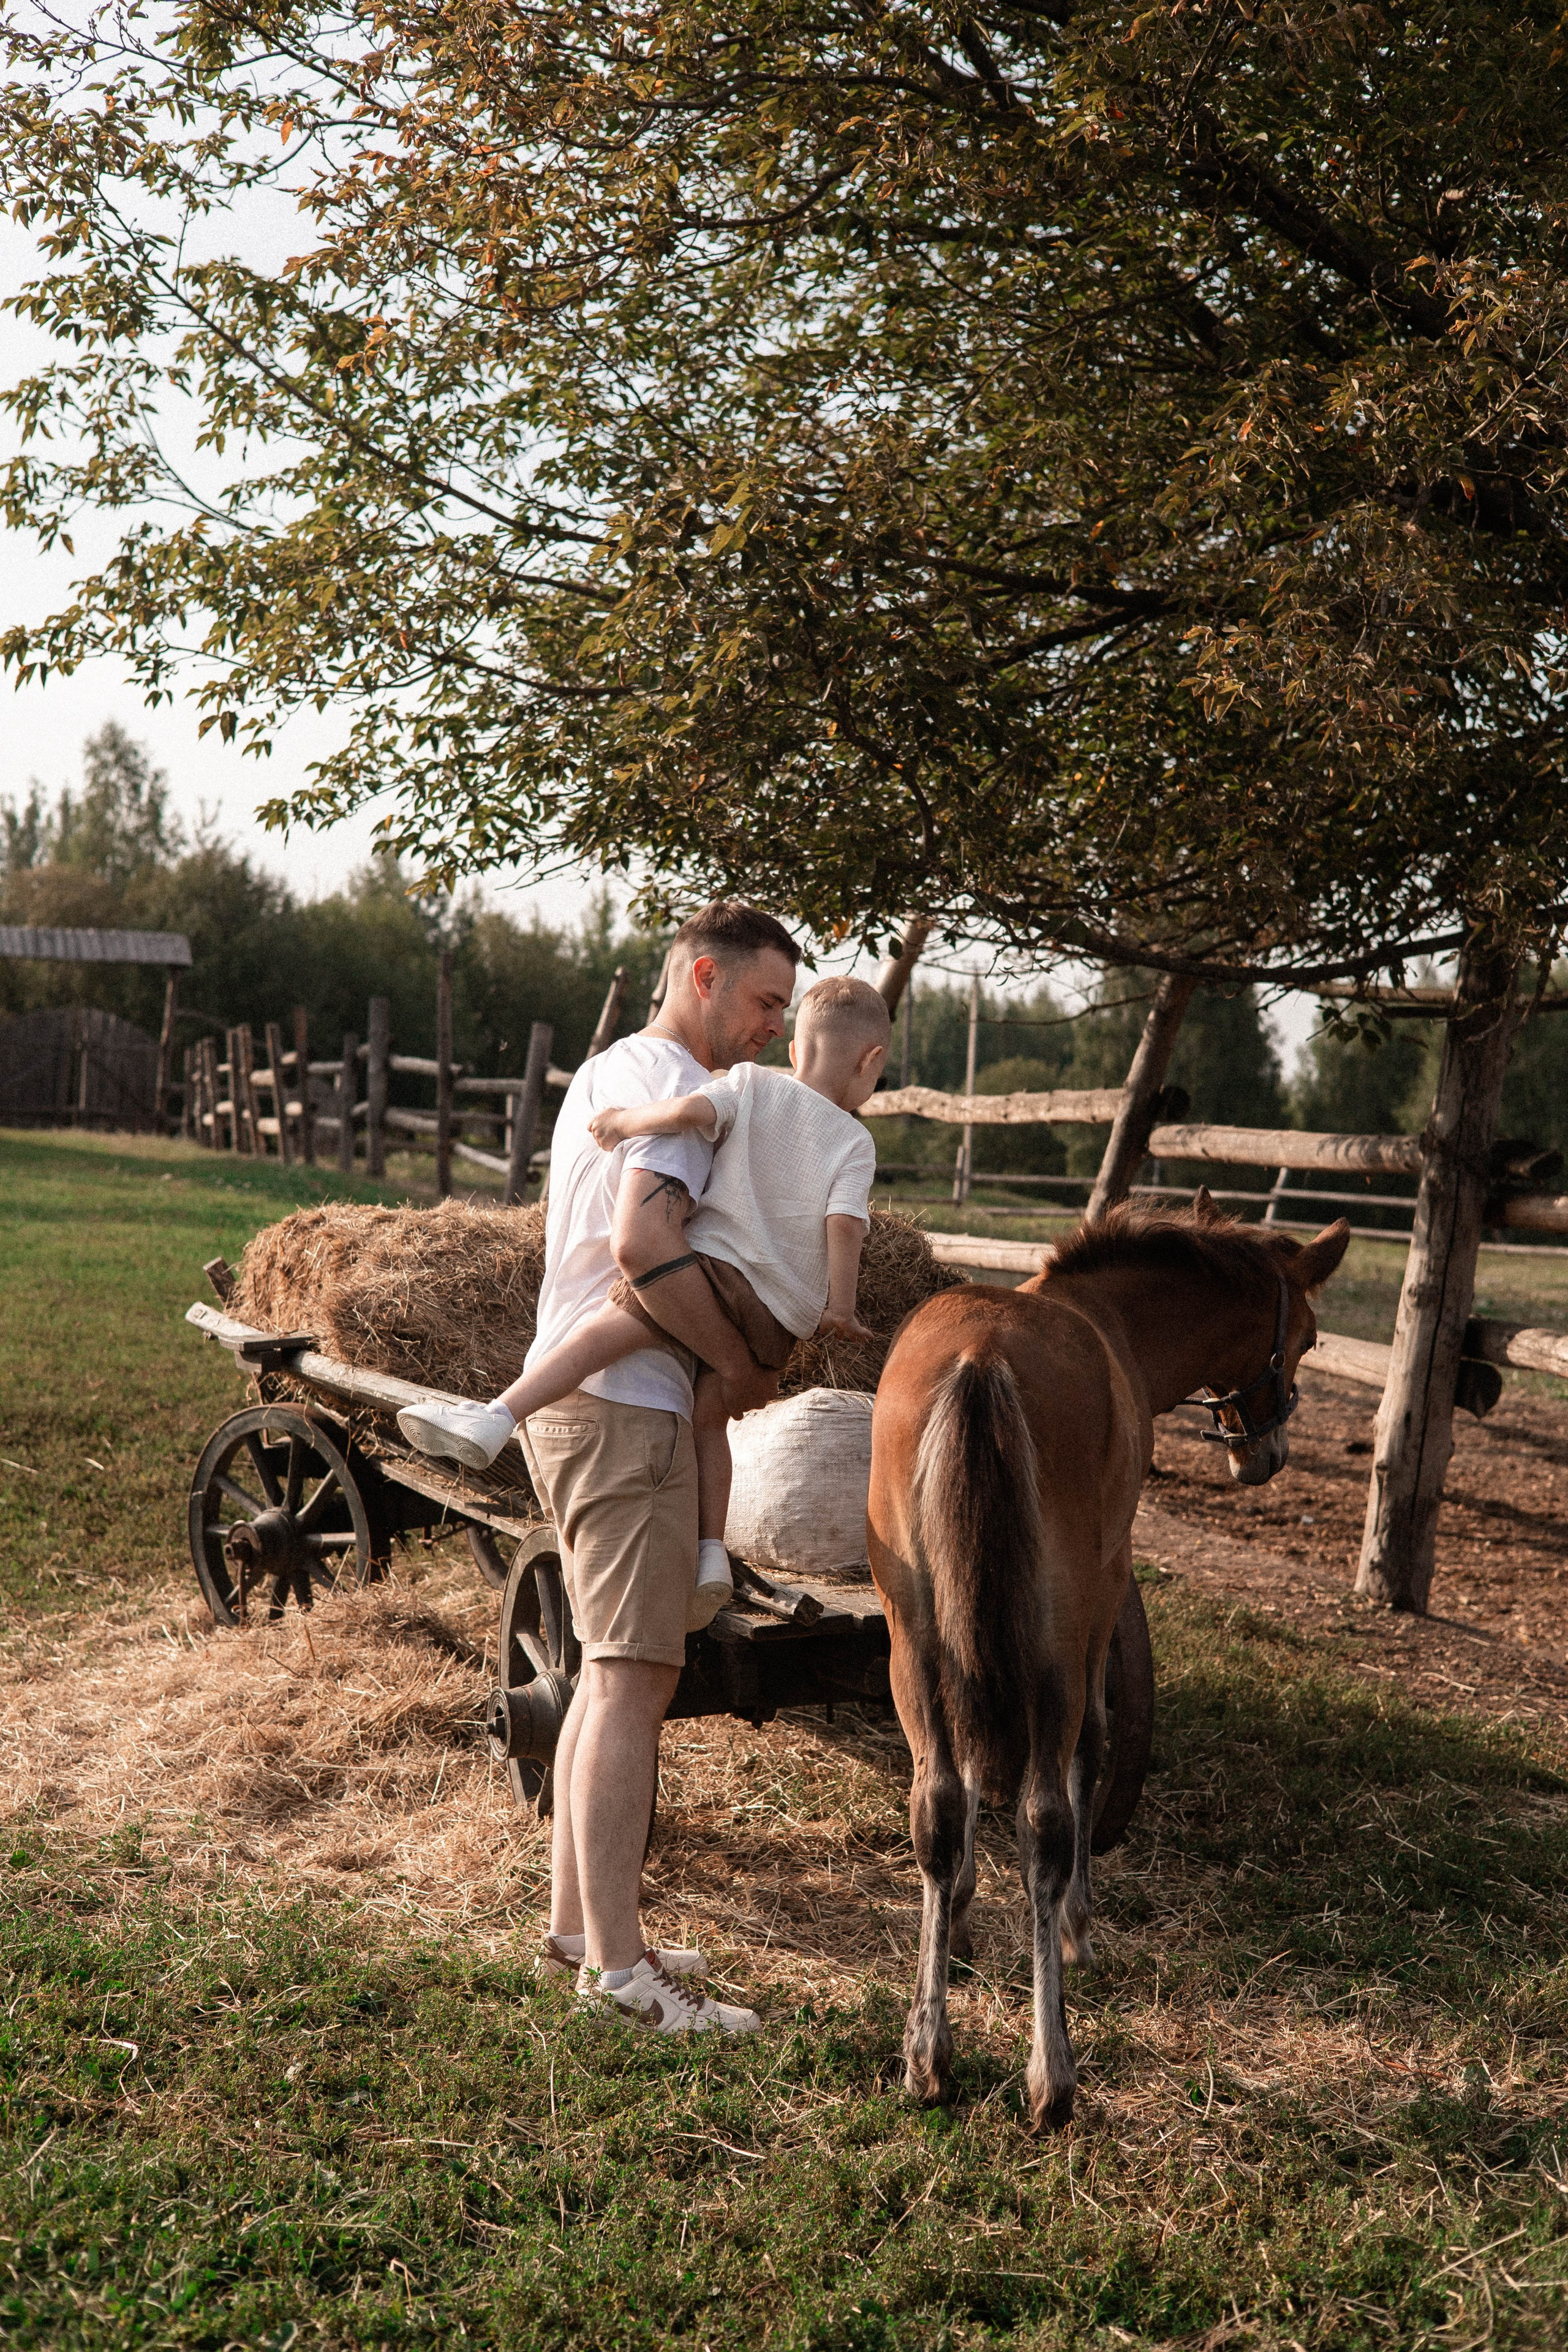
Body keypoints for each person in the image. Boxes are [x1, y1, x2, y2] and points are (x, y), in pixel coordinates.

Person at [411, 902, 799, 2035]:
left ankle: (584, 1930)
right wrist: (735, 1356)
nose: (774, 1026)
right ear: (703, 975)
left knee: (603, 1673)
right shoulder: (685, 1091)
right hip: (624, 1411)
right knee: (637, 1679)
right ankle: (622, 1982)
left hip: (579, 1404)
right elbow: (640, 1245)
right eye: (766, 1000)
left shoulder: (606, 1072)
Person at [398, 974, 889, 1629]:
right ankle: (712, 1554)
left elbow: (689, 1114)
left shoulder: (752, 1086)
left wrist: (624, 1122)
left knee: (612, 1325)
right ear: (871, 1062)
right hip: (778, 1321)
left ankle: (498, 1416)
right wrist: (840, 1307)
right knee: (712, 1420)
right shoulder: (857, 1144)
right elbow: (845, 1226)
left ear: (795, 1053)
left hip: (716, 1271)